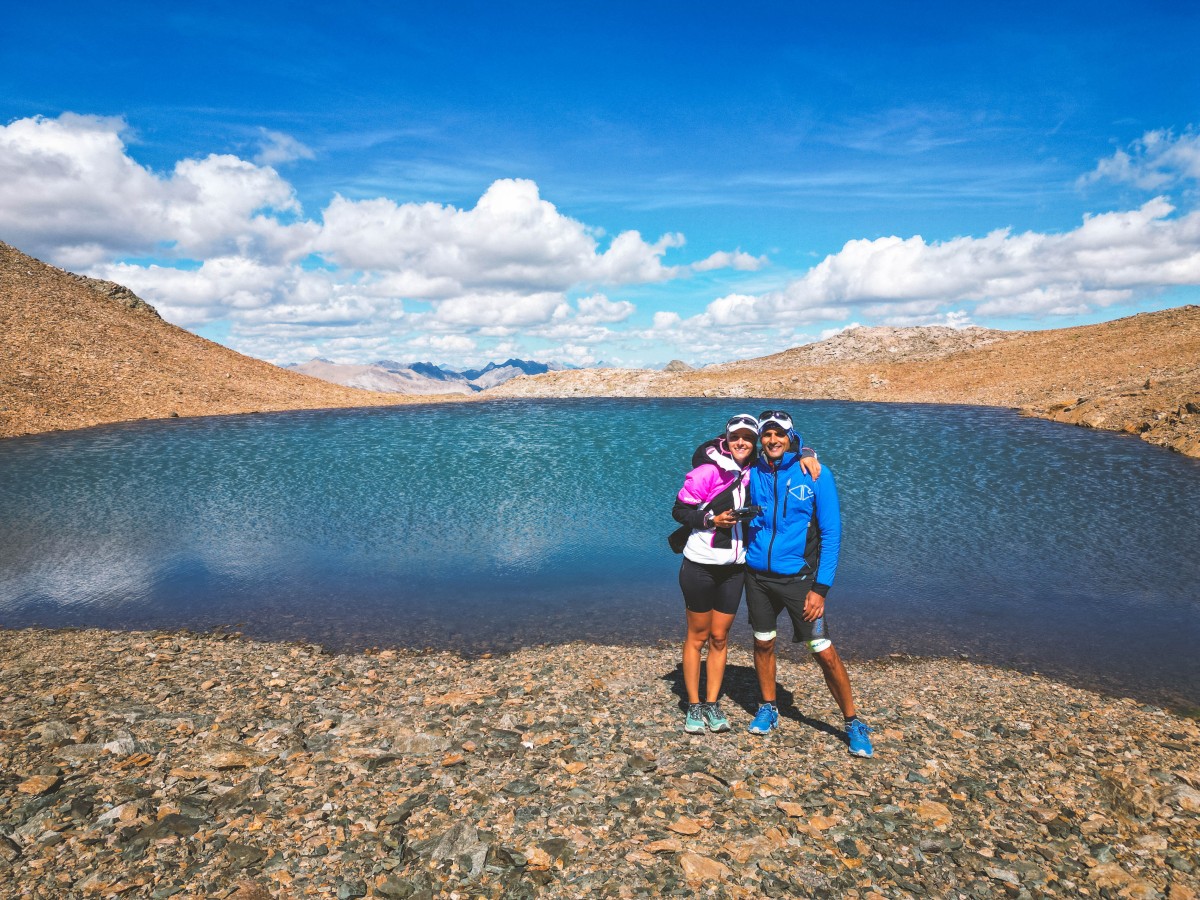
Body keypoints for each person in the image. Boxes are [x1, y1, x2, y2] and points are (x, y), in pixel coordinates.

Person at [672, 414, 819, 734]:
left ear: (754, 444)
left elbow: (787, 450)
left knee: (721, 637)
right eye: (736, 436)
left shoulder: (756, 472)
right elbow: (679, 511)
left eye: (748, 438)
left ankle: (712, 704)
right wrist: (711, 521)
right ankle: (693, 706)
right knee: (697, 636)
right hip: (699, 564)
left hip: (735, 569)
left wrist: (808, 453)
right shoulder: (708, 470)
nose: (742, 442)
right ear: (726, 439)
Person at [743, 409, 874, 757]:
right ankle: (769, 707)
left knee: (823, 651)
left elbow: (832, 534)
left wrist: (821, 589)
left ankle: (852, 722)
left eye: (779, 434)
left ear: (791, 437)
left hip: (800, 581)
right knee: (763, 643)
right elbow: (714, 451)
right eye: (766, 434)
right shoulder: (751, 472)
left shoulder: (814, 473)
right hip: (757, 578)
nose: (772, 440)